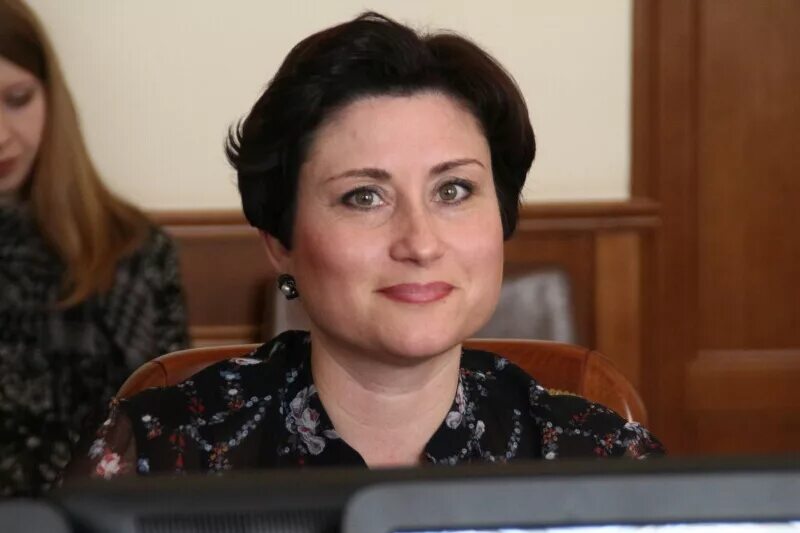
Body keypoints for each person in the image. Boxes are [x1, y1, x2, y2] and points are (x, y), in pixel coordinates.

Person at [71, 11, 663, 481]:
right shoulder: (162, 454)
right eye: (364, 197)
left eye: (453, 190)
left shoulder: (600, 457)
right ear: (279, 241)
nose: (420, 243)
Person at [0, 0, 189, 496]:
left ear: (50, 97)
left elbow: (173, 433)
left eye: (17, 99)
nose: (1, 135)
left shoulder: (133, 251)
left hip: (98, 516)